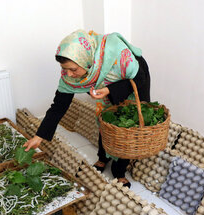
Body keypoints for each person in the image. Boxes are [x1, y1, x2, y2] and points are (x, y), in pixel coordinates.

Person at [23, 30, 150, 188]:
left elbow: (140, 79)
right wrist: (39, 137)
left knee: (126, 125)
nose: (69, 74)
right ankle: (103, 158)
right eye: (65, 69)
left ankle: (119, 170)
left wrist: (110, 90)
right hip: (109, 81)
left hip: (132, 78)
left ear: (86, 61)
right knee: (105, 120)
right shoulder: (72, 73)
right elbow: (58, 106)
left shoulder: (120, 56)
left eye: (73, 69)